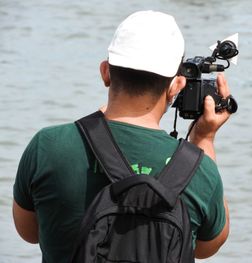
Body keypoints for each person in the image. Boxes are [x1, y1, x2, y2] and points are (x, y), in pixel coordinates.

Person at [13, 10, 232, 262]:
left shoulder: (48, 146)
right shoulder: (200, 169)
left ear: (105, 72)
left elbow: (28, 232)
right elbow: (206, 247)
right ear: (176, 85)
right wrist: (204, 138)